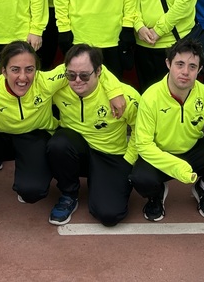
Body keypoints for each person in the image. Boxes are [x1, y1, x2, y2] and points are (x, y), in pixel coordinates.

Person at [0, 41, 125, 234]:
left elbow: (90, 66)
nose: (22, 77)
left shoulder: (47, 81)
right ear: (3, 71)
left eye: (29, 69)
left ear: (37, 70)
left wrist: (114, 91)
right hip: (0, 138)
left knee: (32, 192)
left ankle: (30, 179)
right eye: (15, 70)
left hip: (33, 137)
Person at [130, 37, 204, 221]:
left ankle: (203, 189)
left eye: (192, 67)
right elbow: (144, 145)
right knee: (140, 178)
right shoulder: (151, 97)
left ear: (200, 69)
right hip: (160, 152)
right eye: (179, 64)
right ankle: (156, 194)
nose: (185, 72)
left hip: (193, 148)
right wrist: (178, 167)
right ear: (168, 64)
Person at [47, 44, 140, 226]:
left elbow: (142, 129)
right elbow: (34, 82)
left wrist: (129, 159)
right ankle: (69, 194)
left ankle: (103, 182)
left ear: (98, 72)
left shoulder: (125, 97)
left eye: (84, 75)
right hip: (76, 150)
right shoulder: (59, 87)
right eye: (71, 75)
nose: (77, 80)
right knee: (58, 144)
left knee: (110, 215)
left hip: (110, 154)